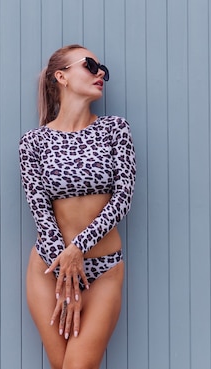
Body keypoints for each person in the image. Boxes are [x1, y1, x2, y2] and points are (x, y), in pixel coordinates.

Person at [19, 44, 136, 369]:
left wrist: (77, 250)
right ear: (62, 76)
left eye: (103, 70)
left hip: (102, 271)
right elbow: (40, 209)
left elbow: (123, 199)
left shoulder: (115, 130)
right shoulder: (34, 142)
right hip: (49, 269)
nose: (100, 73)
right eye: (90, 65)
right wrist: (65, 271)